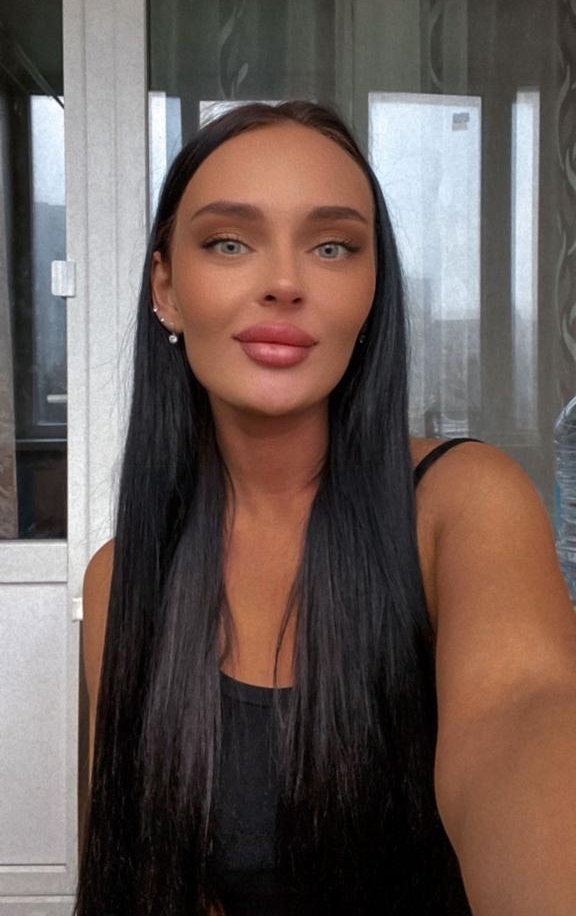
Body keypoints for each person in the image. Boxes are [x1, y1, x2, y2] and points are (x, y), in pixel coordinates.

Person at [75, 101, 576, 916]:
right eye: (229, 242)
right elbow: (139, 871)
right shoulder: (123, 579)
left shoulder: (462, 505)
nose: (284, 281)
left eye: (333, 246)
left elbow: (525, 714)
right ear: (165, 288)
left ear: (372, 292)